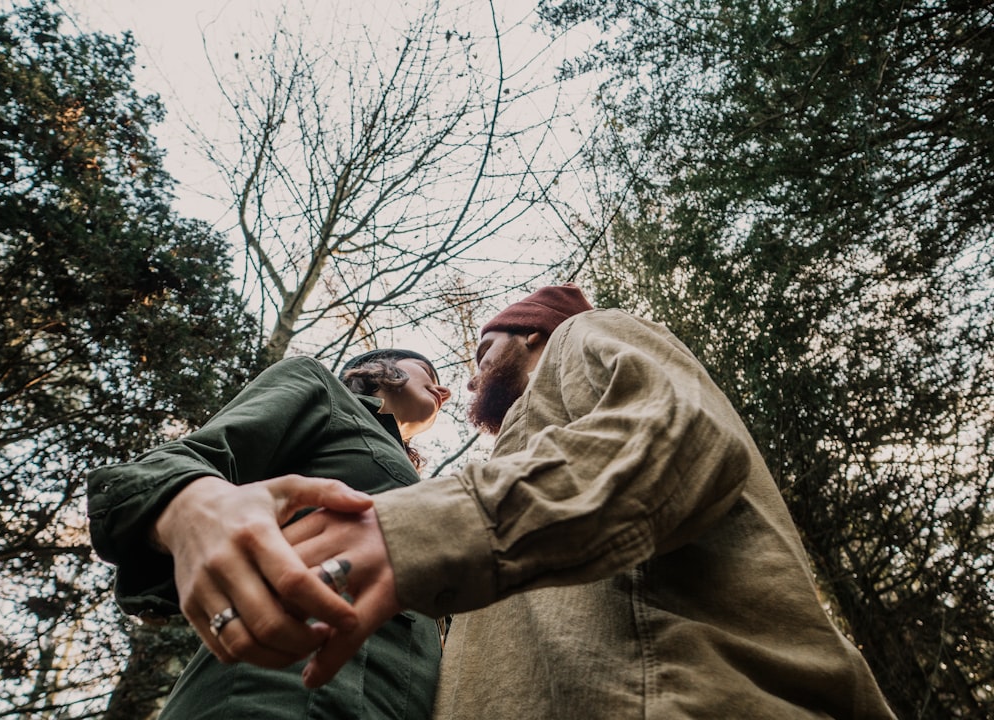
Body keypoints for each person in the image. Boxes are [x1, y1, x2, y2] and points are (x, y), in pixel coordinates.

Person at [284, 284, 898, 719]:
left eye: (481, 353)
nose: (469, 381)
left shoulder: (581, 336)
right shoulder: (519, 455)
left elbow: (677, 433)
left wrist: (414, 535)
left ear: (530, 332)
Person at [86, 349, 452, 719]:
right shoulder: (323, 390)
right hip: (273, 695)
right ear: (379, 368)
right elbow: (170, 465)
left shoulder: (427, 492)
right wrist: (191, 505)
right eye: (425, 369)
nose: (444, 390)